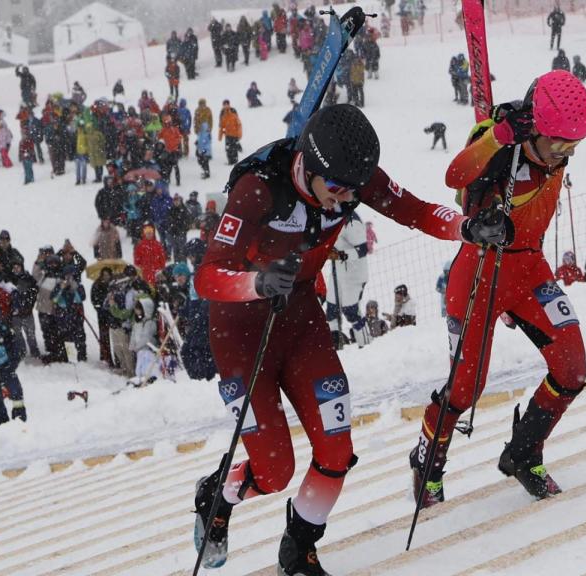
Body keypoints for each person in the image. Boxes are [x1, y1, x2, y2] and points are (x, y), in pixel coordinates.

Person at [190, 103, 508, 574]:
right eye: (336, 190)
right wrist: (256, 283)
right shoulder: (258, 189)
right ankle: (217, 494)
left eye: (354, 194)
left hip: (298, 319)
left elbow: (416, 211)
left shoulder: (349, 176)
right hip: (240, 331)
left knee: (336, 451)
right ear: (310, 168)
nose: (345, 201)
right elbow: (208, 277)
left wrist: (467, 228)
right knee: (274, 473)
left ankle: (299, 546)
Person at [407, 13, 586, 508]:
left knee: (572, 368)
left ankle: (523, 452)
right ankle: (428, 458)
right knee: (465, 389)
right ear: (534, 128)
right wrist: (498, 138)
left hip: (529, 271)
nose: (565, 151)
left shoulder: (564, 128)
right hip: (480, 270)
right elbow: (452, 175)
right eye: (557, 142)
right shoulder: (500, 137)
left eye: (574, 143)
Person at [324, 213, 370, 348]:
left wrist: (341, 255)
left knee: (350, 311)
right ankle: (335, 348)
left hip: (354, 274)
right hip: (337, 272)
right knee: (331, 311)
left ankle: (366, 345)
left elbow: (363, 249)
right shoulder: (328, 217)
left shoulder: (351, 221)